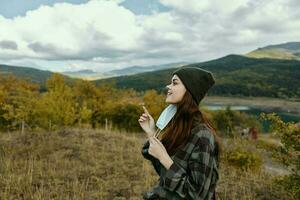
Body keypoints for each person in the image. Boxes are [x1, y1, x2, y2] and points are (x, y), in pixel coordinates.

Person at [138, 65, 222, 200]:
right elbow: (164, 173)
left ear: (190, 90)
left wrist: (165, 158)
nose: (168, 87)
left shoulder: (202, 135)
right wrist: (150, 132)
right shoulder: (179, 127)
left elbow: (198, 194)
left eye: (174, 83)